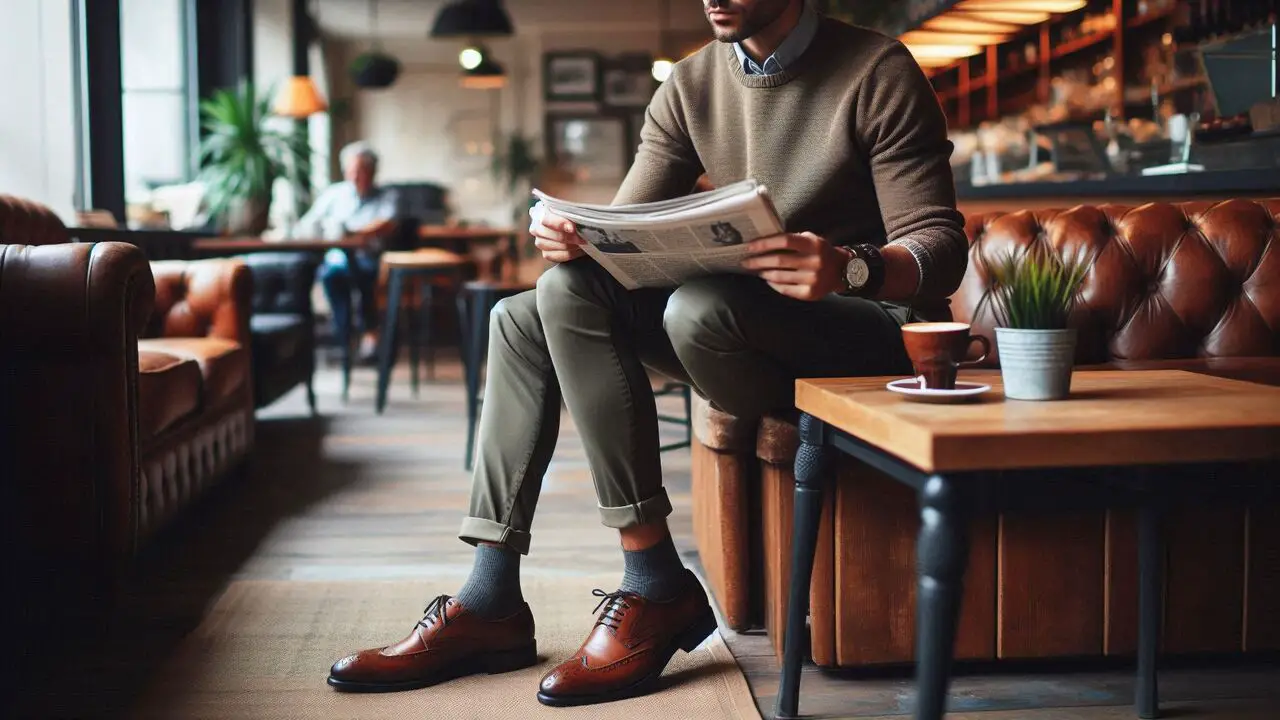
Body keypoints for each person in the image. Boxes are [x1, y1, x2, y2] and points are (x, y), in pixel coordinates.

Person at [328, 0, 968, 707]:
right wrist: (578, 238)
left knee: (700, 307)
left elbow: (938, 248)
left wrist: (852, 267)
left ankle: (654, 593)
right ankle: (507, 595)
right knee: (535, 305)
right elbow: (621, 239)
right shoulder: (691, 84)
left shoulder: (877, 70)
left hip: (864, 331)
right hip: (731, 332)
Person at [295, 141, 402, 362]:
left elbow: (387, 222)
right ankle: (343, 335)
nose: (354, 176)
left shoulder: (387, 195)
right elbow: (307, 224)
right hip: (336, 259)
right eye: (351, 171)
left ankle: (367, 333)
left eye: (360, 171)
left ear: (372, 172)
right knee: (329, 275)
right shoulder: (334, 194)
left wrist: (352, 232)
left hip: (371, 259)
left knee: (364, 276)